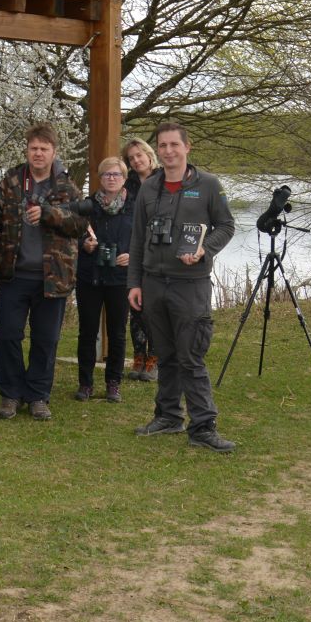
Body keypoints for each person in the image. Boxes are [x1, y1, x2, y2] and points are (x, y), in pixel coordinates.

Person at [128, 121, 238, 452]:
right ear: (157, 151)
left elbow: (227, 226)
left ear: (187, 147)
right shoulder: (149, 188)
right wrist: (134, 282)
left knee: (191, 356)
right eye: (162, 146)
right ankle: (169, 416)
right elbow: (137, 238)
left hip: (190, 285)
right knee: (166, 355)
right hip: (153, 282)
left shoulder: (207, 185)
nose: (168, 151)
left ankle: (203, 426)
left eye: (174, 145)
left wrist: (206, 249)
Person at [0, 123, 87, 423]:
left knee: (46, 339)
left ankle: (38, 395)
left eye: (44, 149)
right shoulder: (11, 181)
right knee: (7, 336)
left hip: (53, 276)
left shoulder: (66, 186)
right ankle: (10, 393)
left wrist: (50, 214)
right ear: (27, 151)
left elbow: (80, 225)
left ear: (54, 152)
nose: (38, 153)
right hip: (15, 274)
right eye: (33, 148)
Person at [74, 157, 134, 403]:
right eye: (107, 174)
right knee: (87, 332)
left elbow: (143, 239)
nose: (111, 178)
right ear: (100, 178)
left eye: (116, 174)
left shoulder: (134, 206)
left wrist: (131, 255)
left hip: (120, 279)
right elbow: (70, 236)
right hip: (91, 277)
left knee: (117, 333)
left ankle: (113, 382)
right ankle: (85, 383)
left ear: (124, 178)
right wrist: (83, 245)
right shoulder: (87, 206)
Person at [120, 134, 159, 382]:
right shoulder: (127, 185)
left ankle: (155, 360)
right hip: (132, 253)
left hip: (157, 254)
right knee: (135, 308)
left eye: (139, 156)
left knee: (154, 310)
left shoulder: (164, 180)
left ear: (149, 155)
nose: (136, 161)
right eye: (131, 158)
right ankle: (138, 359)